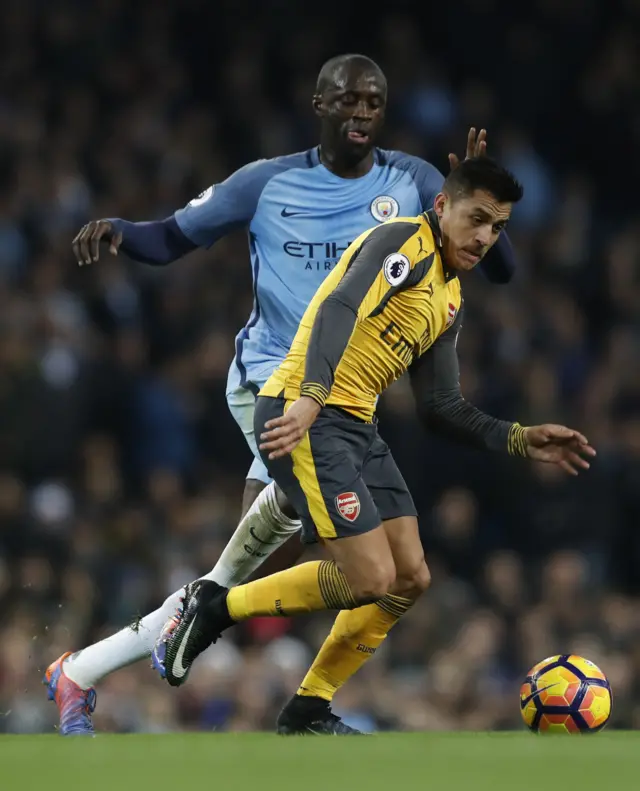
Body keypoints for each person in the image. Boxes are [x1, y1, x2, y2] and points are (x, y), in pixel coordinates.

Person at [44, 53, 515, 736]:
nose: (361, 113)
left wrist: (475, 189)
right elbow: (175, 236)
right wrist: (123, 231)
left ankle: (81, 669)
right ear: (319, 104)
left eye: (374, 103)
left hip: (342, 404)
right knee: (266, 573)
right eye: (348, 100)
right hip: (272, 382)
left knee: (246, 575)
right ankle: (157, 660)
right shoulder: (266, 183)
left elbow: (496, 267)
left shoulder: (414, 182)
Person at [154, 157, 595, 737]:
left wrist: (518, 437)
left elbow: (441, 407)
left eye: (499, 227)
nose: (486, 236)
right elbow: (339, 307)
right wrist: (311, 396)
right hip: (302, 413)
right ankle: (211, 607)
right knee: (369, 578)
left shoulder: (450, 297)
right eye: (478, 218)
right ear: (442, 207)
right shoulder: (400, 243)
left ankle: (308, 708)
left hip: (354, 427)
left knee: (411, 576)